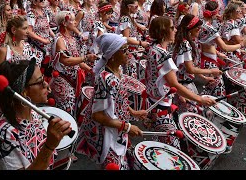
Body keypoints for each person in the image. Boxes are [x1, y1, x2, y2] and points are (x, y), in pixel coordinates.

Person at [143, 16, 216, 149]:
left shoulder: (153, 48)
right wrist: (199, 99)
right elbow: (174, 84)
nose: (175, 30)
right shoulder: (162, 54)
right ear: (163, 31)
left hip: (154, 102)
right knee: (171, 148)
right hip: (161, 105)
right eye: (172, 27)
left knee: (160, 143)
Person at [75, 33, 145, 170]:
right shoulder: (106, 79)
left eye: (128, 49)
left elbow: (119, 100)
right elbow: (98, 115)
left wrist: (133, 112)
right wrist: (128, 127)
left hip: (118, 128)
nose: (128, 53)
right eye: (124, 50)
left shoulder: (118, 71)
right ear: (113, 55)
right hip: (108, 133)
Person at [0, 58, 72, 170]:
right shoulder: (5, 133)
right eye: (40, 82)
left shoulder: (33, 112)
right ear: (23, 92)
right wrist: (49, 146)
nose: (46, 85)